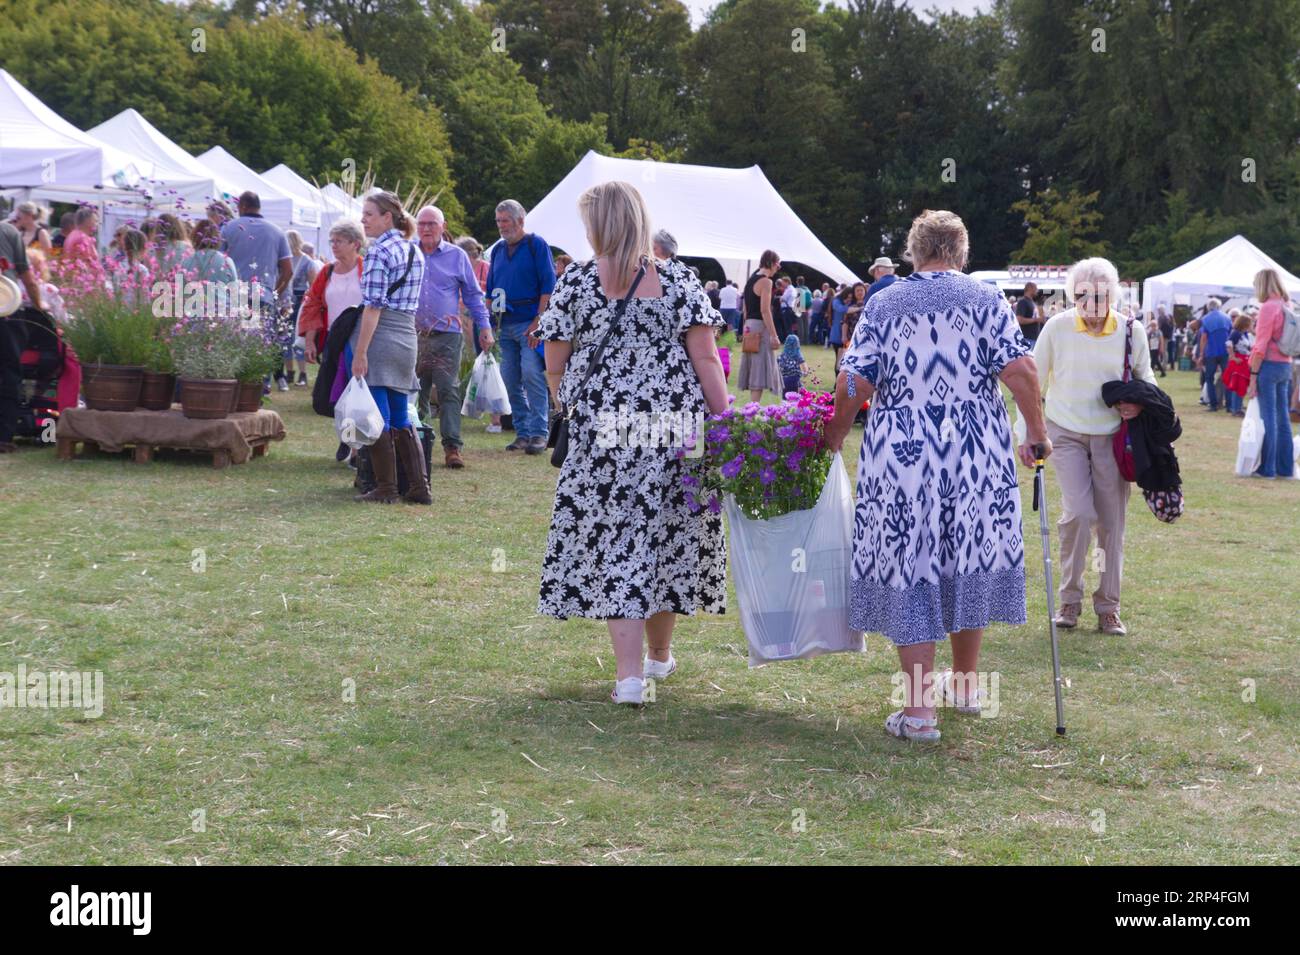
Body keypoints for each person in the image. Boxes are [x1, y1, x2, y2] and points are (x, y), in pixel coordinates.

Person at [825, 209, 1047, 742]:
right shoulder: (986, 298)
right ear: (961, 252)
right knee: (968, 553)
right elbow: (1020, 371)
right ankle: (967, 687)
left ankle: (921, 712)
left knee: (910, 565)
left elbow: (854, 383)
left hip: (903, 458)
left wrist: (832, 440)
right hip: (976, 455)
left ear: (912, 250)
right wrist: (1036, 431)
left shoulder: (884, 302)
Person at [535, 180, 729, 706]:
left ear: (599, 225)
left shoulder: (575, 282)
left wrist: (564, 396)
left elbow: (554, 361)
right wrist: (726, 420)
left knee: (619, 540)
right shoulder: (680, 280)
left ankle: (628, 678)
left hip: (605, 431)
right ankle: (659, 657)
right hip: (676, 427)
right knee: (667, 535)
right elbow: (707, 360)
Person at [1034, 257, 1155, 636]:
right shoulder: (1057, 327)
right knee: (1080, 515)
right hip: (1065, 431)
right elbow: (1033, 380)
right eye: (1083, 295)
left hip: (1113, 435)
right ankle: (1069, 598)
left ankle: (1108, 606)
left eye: (1100, 296)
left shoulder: (1131, 331)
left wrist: (1140, 403)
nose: (1091, 304)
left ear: (1113, 295)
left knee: (1111, 524)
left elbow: (1146, 378)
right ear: (1073, 295)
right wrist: (1029, 433)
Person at [346, 191, 429, 504]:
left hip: (381, 336)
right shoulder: (414, 250)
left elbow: (373, 307)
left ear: (387, 217)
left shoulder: (378, 252)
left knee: (379, 416)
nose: (363, 220)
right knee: (401, 415)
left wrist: (360, 352)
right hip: (407, 336)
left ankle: (386, 488)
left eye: (369, 214)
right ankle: (420, 487)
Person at [412, 205, 493, 469]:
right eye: (421, 223)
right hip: (413, 334)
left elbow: (472, 295)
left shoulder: (457, 256)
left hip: (447, 335)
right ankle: (416, 444)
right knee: (416, 390)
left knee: (448, 389)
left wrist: (484, 326)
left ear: (443, 227)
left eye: (431, 224)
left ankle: (452, 448)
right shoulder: (409, 253)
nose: (426, 228)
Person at [486, 199, 555, 455]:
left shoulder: (536, 245)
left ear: (520, 221)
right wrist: (489, 322)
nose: (502, 226)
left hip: (529, 322)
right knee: (509, 378)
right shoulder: (498, 250)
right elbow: (490, 289)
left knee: (531, 374)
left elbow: (548, 286)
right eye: (499, 221)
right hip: (505, 323)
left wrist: (539, 322)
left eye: (506, 220)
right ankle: (523, 433)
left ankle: (539, 433)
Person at [221, 191, 293, 392]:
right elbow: (287, 270)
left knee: (236, 342)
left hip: (234, 296)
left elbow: (219, 262)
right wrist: (275, 292)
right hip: (263, 296)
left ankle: (235, 385)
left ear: (242, 206)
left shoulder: (229, 228)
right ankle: (261, 387)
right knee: (261, 344)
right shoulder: (277, 232)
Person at [0, 219, 46, 454]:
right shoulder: (8, 231)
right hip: (6, 309)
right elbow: (27, 277)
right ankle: (4, 437)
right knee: (9, 372)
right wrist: (40, 306)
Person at [1245, 268, 1295, 478]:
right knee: (1283, 418)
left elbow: (1261, 344)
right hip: (1286, 364)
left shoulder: (1267, 307)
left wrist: (1253, 377)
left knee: (1269, 418)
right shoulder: (1287, 305)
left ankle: (1268, 468)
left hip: (1269, 365)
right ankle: (1285, 467)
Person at [737, 250, 783, 402]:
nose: (778, 267)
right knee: (758, 369)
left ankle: (752, 409)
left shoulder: (750, 280)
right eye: (778, 264)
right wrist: (774, 335)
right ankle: (753, 410)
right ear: (771, 263)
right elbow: (765, 310)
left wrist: (745, 328)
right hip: (759, 327)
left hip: (749, 326)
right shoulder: (766, 282)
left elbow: (745, 310)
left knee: (754, 367)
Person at [285, 230, 319, 386]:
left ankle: (303, 373)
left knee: (299, 336)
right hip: (286, 300)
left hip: (300, 300)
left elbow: (313, 286)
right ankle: (290, 372)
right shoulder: (285, 259)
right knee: (285, 337)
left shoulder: (306, 261)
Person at [1197, 297, 1232, 411]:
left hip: (1211, 352)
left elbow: (1204, 338)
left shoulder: (1205, 319)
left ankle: (1213, 404)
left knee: (1209, 378)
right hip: (1225, 351)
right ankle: (1229, 405)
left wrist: (1201, 353)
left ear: (1208, 307)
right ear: (1219, 306)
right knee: (1227, 378)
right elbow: (1231, 335)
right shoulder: (1227, 318)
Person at [181, 219, 238, 285]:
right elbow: (234, 289)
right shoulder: (226, 261)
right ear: (217, 237)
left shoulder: (186, 261)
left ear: (194, 236)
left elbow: (179, 289)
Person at [1224, 313, 1254, 415]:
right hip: (1239, 361)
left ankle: (1238, 406)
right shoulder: (1236, 333)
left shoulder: (1243, 333)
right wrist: (1233, 357)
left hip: (1244, 361)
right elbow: (1228, 343)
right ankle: (1236, 408)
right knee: (1238, 384)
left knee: (1242, 384)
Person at [1145, 310, 1166, 377]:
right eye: (1152, 325)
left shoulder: (1159, 332)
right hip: (1152, 348)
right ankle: (1163, 372)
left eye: (1154, 325)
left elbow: (1161, 340)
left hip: (1157, 348)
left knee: (1153, 361)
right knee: (1156, 360)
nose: (1153, 327)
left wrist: (1161, 347)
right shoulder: (1150, 333)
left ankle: (1151, 371)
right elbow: (1148, 340)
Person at [1157, 304, 1176, 369]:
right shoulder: (1167, 317)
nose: (1158, 311)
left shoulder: (1161, 317)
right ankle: (1163, 365)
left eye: (1158, 310)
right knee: (1165, 351)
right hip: (1167, 336)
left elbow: (1158, 327)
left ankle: (1162, 365)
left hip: (1162, 336)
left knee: (1162, 351)